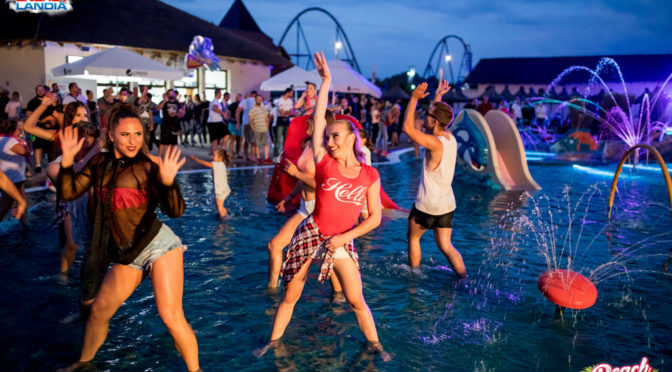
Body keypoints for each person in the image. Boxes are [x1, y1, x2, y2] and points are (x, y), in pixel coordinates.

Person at [257, 52, 389, 360]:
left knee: (356, 300)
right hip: (312, 232)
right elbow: (318, 120)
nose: (329, 140)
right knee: (291, 294)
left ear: (352, 138)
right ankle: (273, 343)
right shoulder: (325, 164)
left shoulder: (370, 174)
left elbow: (374, 218)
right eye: (328, 137)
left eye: (335, 136)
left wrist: (345, 238)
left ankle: (376, 347)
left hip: (342, 240)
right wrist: (325, 81)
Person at [57, 104, 199, 372]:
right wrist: (66, 160)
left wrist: (169, 183)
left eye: (138, 134)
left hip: (159, 246)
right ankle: (84, 364)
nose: (133, 140)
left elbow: (176, 211)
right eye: (125, 134)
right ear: (110, 135)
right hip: (128, 253)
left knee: (170, 316)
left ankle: (196, 370)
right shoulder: (98, 163)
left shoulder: (147, 167)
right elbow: (68, 191)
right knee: (99, 312)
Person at [267, 111, 341, 292]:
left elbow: (325, 185)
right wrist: (289, 198)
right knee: (275, 245)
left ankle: (340, 297)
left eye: (312, 118)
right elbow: (304, 179)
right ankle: (272, 289)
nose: (307, 121)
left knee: (326, 257)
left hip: (319, 209)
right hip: (304, 208)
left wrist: (295, 173)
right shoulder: (308, 145)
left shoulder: (327, 150)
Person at [402, 81, 466, 278]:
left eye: (428, 115)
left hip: (427, 205)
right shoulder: (450, 138)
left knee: (413, 238)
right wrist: (438, 97)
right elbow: (438, 116)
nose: (424, 117)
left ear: (435, 121)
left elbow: (407, 128)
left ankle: (414, 279)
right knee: (445, 245)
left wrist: (413, 98)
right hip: (446, 205)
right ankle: (464, 277)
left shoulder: (434, 143)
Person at [0, 119, 28, 223]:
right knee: (5, 206)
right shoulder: (10, 141)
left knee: (15, 203)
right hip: (13, 179)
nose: (20, 129)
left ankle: (23, 223)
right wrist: (26, 142)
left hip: (6, 177)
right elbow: (24, 152)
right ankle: (24, 225)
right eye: (18, 127)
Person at [190, 149, 231, 218]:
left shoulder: (216, 164)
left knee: (219, 208)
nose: (212, 157)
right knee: (222, 206)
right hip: (225, 190)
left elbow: (204, 163)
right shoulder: (222, 164)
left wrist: (195, 159)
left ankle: (223, 222)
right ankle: (226, 215)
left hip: (220, 191)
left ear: (219, 158)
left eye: (214, 156)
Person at [158, 89, 183, 157]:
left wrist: (176, 114)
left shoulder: (177, 103)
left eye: (173, 94)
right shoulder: (164, 102)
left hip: (174, 125)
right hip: (165, 125)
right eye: (170, 94)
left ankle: (170, 158)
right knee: (162, 142)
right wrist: (164, 101)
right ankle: (159, 157)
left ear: (175, 95)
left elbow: (182, 114)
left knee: (172, 143)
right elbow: (158, 108)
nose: (172, 95)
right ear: (167, 94)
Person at [207, 89, 230, 156]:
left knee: (215, 139)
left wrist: (222, 120)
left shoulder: (216, 101)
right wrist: (223, 113)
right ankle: (221, 149)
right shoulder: (215, 101)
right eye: (220, 94)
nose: (221, 95)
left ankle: (215, 152)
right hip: (214, 123)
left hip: (215, 122)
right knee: (226, 134)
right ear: (218, 93)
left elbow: (216, 114)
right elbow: (215, 108)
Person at [249, 95, 270, 163]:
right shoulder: (252, 110)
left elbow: (267, 118)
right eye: (258, 99)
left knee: (266, 144)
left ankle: (266, 158)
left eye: (260, 100)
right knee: (257, 144)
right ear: (255, 100)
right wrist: (253, 129)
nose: (259, 101)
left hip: (264, 129)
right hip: (257, 129)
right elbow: (251, 120)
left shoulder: (264, 108)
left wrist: (267, 127)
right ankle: (258, 157)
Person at [275, 88, 293, 158]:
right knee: (278, 140)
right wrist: (287, 112)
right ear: (287, 92)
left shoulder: (290, 101)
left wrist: (285, 112)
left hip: (287, 120)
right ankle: (276, 156)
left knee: (286, 140)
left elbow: (291, 112)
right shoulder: (280, 100)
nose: (292, 94)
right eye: (291, 93)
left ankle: (284, 156)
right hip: (280, 120)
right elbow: (281, 112)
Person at [227, 93, 242, 158]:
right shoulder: (232, 105)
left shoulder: (242, 105)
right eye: (237, 97)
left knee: (240, 139)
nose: (237, 98)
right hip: (232, 124)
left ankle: (238, 153)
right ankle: (230, 152)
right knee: (233, 138)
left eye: (239, 97)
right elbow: (228, 113)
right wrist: (230, 118)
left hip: (240, 124)